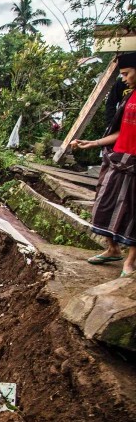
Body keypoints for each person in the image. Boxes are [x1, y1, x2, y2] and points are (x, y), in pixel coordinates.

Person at [72, 52, 136, 277]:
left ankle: (129, 262)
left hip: (134, 163)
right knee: (104, 202)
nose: (124, 79)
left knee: (133, 211)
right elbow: (120, 131)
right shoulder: (129, 97)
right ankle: (112, 249)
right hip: (118, 157)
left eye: (127, 74)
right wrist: (93, 143)